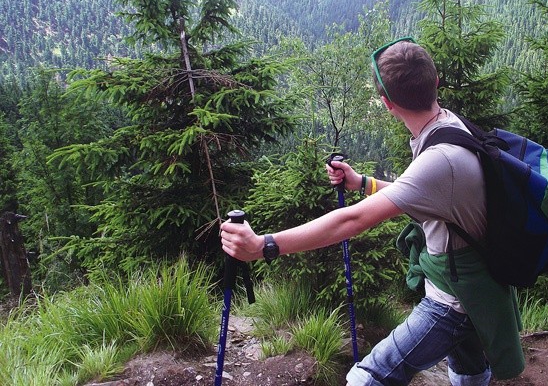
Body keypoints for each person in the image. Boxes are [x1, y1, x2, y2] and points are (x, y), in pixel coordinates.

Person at [220, 37, 525, 386]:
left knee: (369, 376)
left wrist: (265, 245)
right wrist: (362, 182)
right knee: (469, 370)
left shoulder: (438, 159)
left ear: (386, 103)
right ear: (435, 82)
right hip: (475, 285)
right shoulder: (449, 126)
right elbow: (427, 193)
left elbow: (352, 219)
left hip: (454, 301)